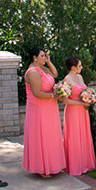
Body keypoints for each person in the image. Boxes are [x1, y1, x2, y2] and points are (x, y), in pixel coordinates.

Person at [21, 48, 65, 176]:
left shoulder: (43, 69)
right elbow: (37, 93)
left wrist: (49, 62)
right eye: (42, 56)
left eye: (45, 56)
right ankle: (42, 167)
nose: (44, 59)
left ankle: (53, 164)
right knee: (42, 135)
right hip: (39, 108)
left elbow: (55, 74)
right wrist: (54, 96)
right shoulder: (33, 72)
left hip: (50, 107)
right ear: (34, 58)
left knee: (51, 135)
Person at [62, 57, 95, 177]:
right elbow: (65, 100)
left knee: (83, 134)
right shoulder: (67, 80)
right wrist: (81, 103)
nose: (81, 68)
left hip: (82, 111)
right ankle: (75, 165)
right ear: (73, 67)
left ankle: (84, 164)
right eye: (79, 66)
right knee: (74, 136)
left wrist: (89, 98)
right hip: (73, 110)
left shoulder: (80, 77)